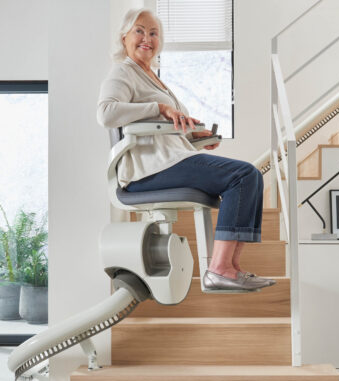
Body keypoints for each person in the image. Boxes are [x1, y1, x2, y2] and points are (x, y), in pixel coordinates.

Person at [97, 8, 275, 292]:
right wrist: (159, 108)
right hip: (150, 170)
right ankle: (219, 269)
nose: (147, 38)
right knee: (242, 176)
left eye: (154, 33)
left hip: (171, 159)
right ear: (124, 37)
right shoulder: (124, 71)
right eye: (139, 31)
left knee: (251, 175)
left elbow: (162, 132)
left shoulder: (153, 77)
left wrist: (196, 139)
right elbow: (106, 113)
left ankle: (231, 268)